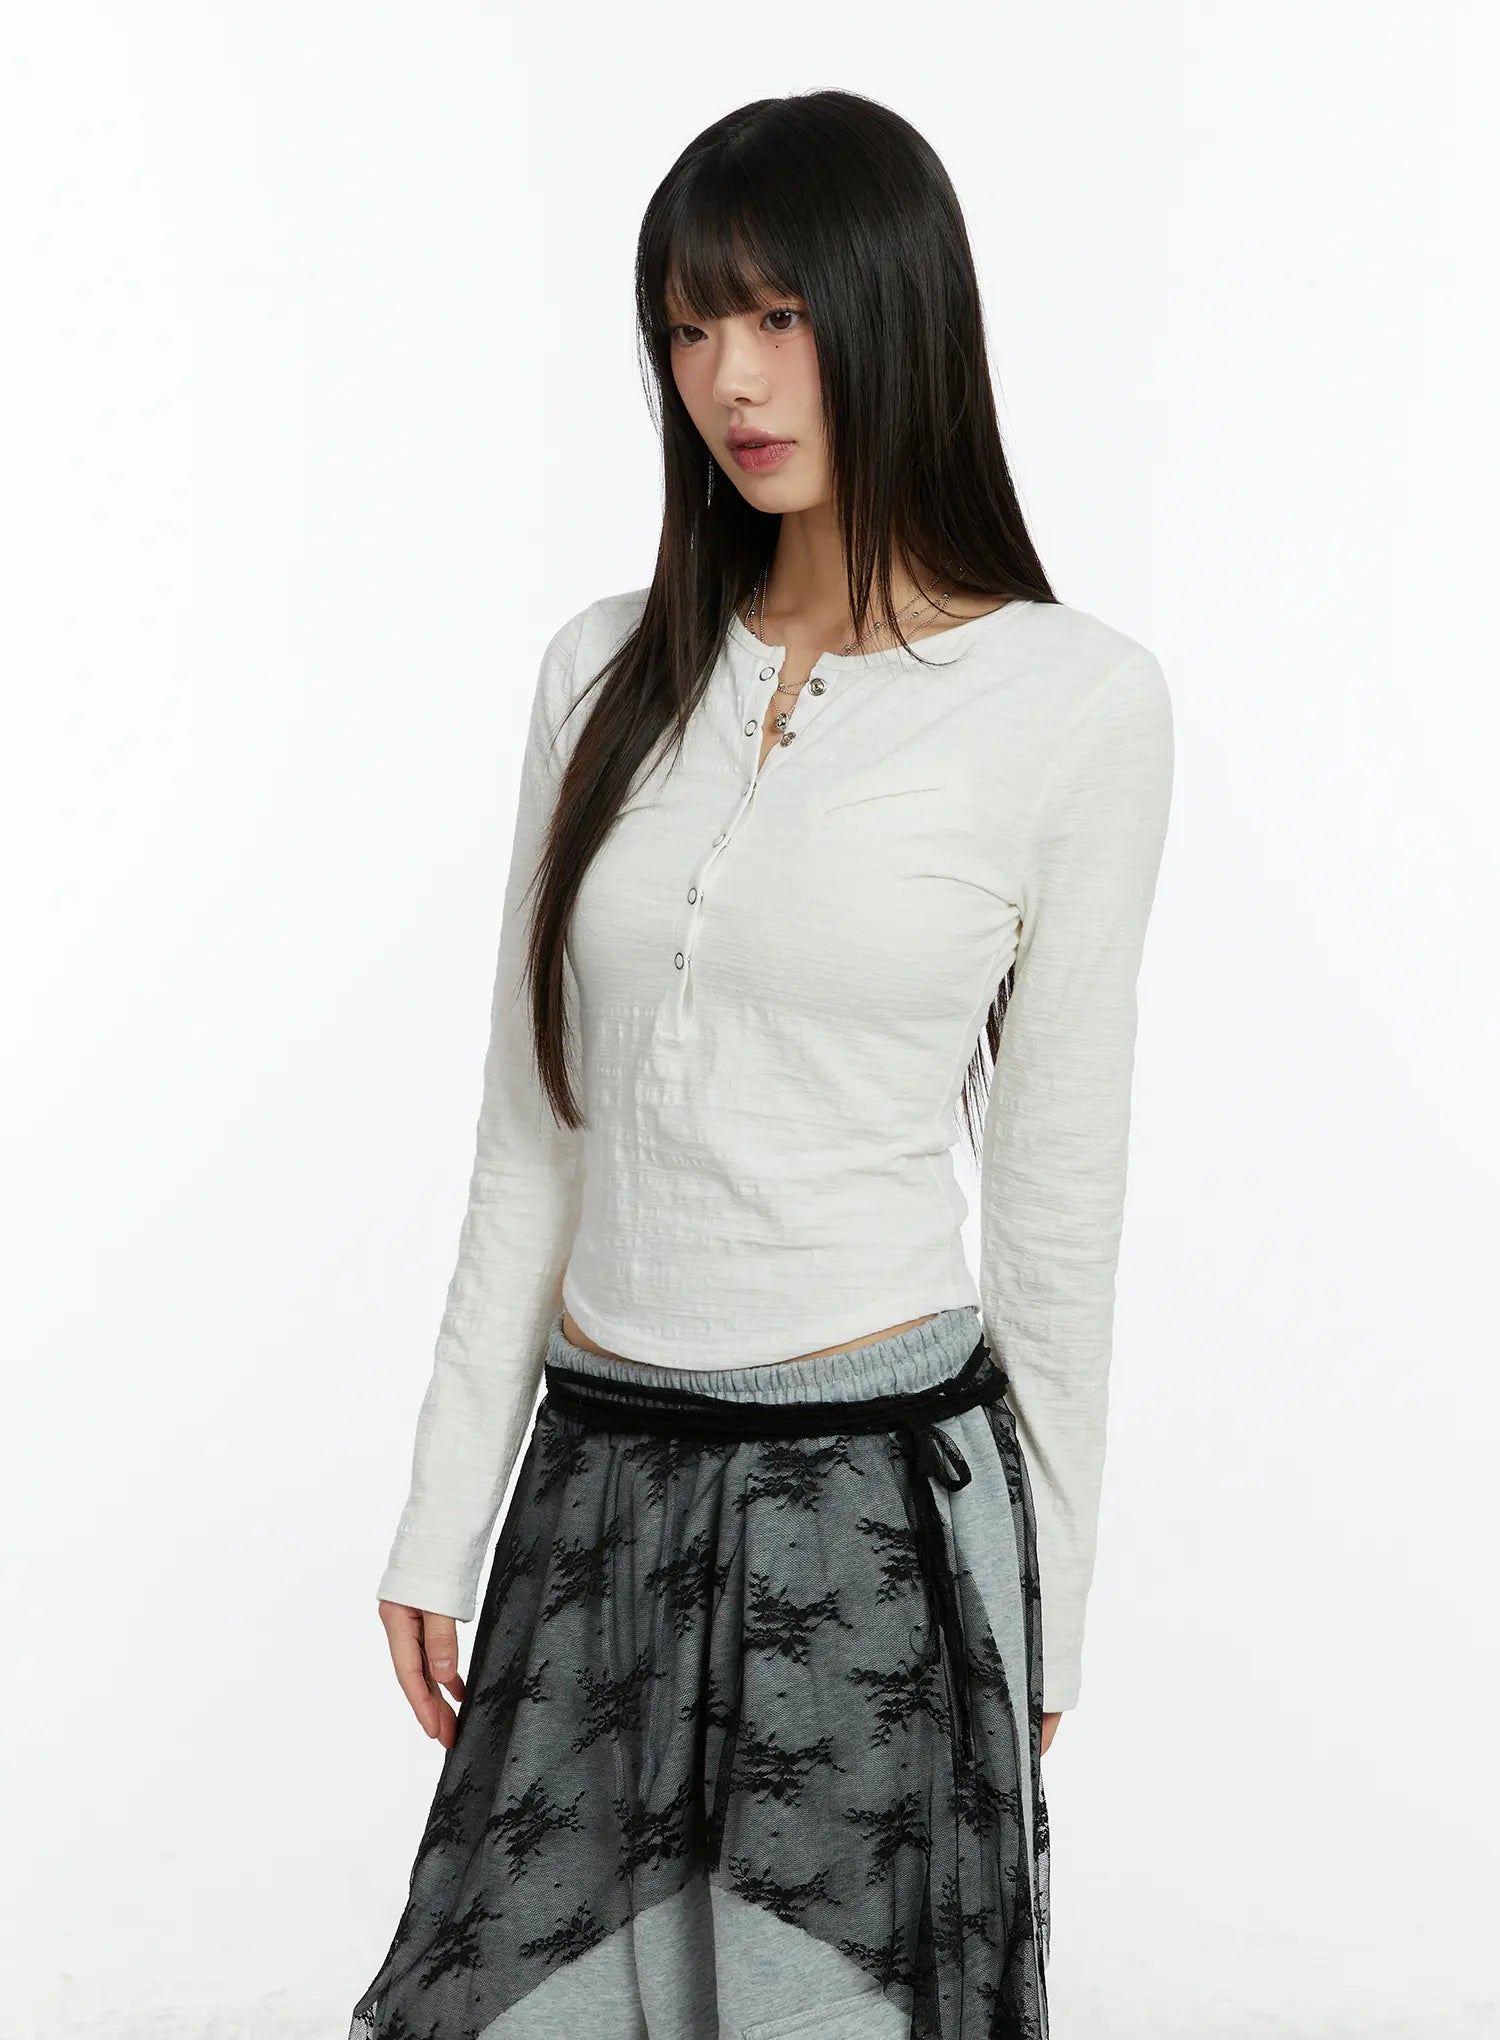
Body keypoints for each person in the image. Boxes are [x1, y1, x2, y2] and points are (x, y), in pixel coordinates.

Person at [349, 86, 1173, 2040]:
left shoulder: (1072, 703)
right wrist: (443, 1506)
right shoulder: (599, 669)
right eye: (690, 325)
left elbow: (1058, 1204)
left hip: (870, 1503)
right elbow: (533, 1132)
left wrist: (1047, 1605)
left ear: (897, 314)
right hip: (596, 1482)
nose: (731, 376)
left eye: (782, 316)